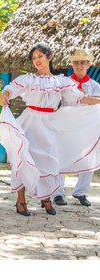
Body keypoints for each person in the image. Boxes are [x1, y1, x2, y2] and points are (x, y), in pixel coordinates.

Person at [0, 42, 100, 216]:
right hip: (30, 121)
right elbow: (10, 90)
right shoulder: (27, 79)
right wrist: (4, 94)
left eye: (40, 56)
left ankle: (46, 198)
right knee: (23, 157)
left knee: (50, 160)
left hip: (50, 122)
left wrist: (98, 101)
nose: (37, 60)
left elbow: (79, 99)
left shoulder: (61, 81)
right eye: (34, 58)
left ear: (49, 57)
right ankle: (21, 201)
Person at [53, 49, 100, 207]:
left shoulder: (94, 85)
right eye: (76, 62)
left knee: (89, 156)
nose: (79, 65)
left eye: (82, 62)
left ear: (88, 64)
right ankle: (58, 193)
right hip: (66, 125)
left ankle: (81, 191)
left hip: (86, 128)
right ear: (72, 64)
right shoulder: (64, 83)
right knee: (61, 157)